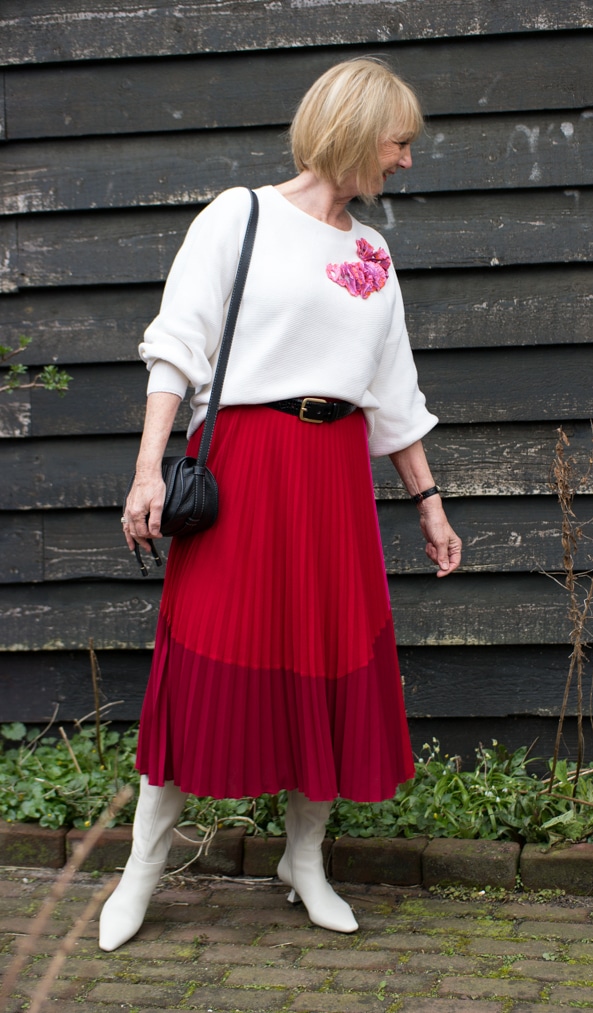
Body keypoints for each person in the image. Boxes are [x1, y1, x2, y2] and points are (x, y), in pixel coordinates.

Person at [99, 57, 462, 952]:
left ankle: (304, 861)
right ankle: (143, 865)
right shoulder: (242, 215)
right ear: (352, 128)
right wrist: (148, 471)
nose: (405, 161)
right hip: (247, 467)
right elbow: (175, 349)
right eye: (398, 141)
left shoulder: (373, 254)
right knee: (204, 659)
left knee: (328, 657)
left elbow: (392, 390)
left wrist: (428, 500)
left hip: (335, 476)